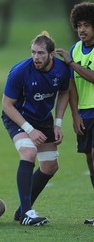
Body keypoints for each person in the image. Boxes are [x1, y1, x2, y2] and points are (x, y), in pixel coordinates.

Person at [1, 31, 70, 226]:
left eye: (40, 53)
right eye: (33, 52)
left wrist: (58, 123)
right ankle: (26, 213)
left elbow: (64, 92)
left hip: (42, 119)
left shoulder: (62, 70)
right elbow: (6, 105)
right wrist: (29, 130)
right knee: (28, 152)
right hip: (17, 118)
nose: (36, 57)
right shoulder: (20, 71)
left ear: (51, 54)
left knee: (50, 166)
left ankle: (21, 210)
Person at [55, 2, 94, 225]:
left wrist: (70, 63)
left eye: (87, 25)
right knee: (90, 162)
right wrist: (75, 115)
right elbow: (71, 85)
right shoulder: (75, 49)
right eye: (79, 25)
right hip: (85, 115)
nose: (82, 30)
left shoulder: (73, 56)